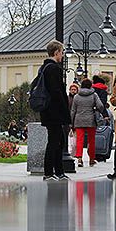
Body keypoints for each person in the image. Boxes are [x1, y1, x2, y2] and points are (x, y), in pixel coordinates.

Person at [35, 40, 71, 181]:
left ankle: (58, 172)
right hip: (55, 112)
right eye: (61, 53)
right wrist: (65, 112)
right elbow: (57, 92)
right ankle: (50, 172)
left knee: (58, 141)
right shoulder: (53, 68)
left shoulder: (43, 68)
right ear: (56, 52)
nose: (62, 56)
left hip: (48, 111)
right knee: (55, 142)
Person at [70, 78, 105, 167]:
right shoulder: (94, 95)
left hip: (79, 120)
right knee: (91, 140)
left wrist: (71, 122)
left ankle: (79, 158)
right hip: (91, 120)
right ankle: (91, 159)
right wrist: (97, 110)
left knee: (79, 140)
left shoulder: (77, 96)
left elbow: (73, 110)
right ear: (90, 85)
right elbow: (100, 105)